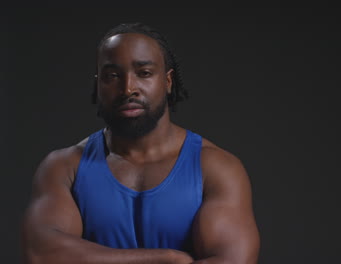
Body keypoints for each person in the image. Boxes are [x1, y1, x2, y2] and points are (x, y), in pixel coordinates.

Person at [21, 22, 260, 264]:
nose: (128, 88)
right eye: (112, 76)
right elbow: (42, 255)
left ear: (168, 82)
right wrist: (166, 258)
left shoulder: (216, 168)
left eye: (144, 73)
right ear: (98, 84)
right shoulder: (63, 168)